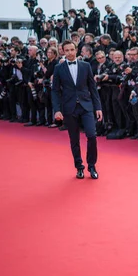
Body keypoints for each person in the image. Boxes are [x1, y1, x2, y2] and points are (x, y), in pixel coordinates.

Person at [51, 40, 103, 179]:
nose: (69, 53)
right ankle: (79, 166)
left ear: (76, 50)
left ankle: (91, 166)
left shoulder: (85, 66)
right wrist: (57, 110)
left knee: (92, 135)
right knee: (74, 139)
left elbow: (93, 88)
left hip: (86, 106)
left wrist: (98, 107)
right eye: (66, 50)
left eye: (72, 50)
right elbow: (55, 91)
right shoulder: (58, 68)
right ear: (62, 51)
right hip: (69, 107)